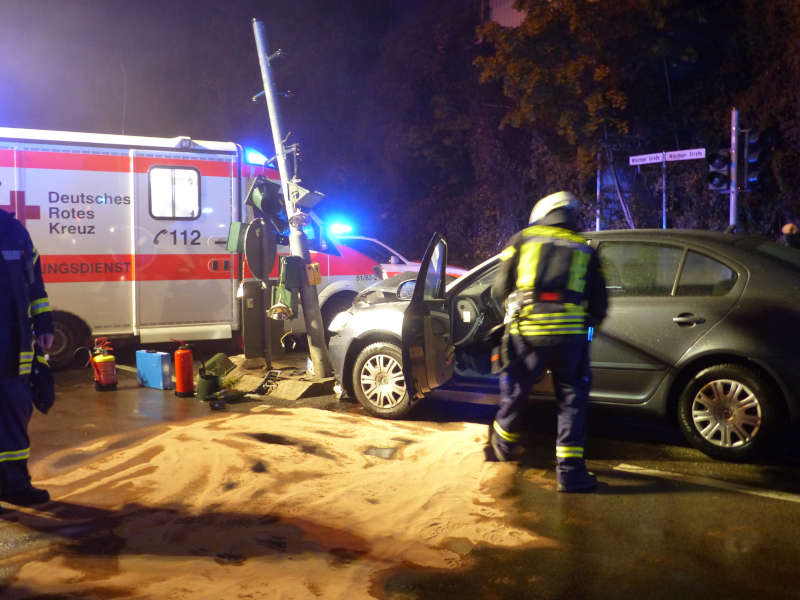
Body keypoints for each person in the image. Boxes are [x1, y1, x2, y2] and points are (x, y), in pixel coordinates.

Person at [488, 191, 608, 493]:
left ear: (542, 212)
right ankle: (570, 474)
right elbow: (600, 304)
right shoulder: (586, 249)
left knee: (516, 390)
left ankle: (502, 446)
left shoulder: (522, 239)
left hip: (527, 335)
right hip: (571, 340)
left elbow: (499, 289)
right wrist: (586, 326)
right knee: (571, 403)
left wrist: (515, 310)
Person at [0, 208, 54, 506]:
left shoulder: (14, 231)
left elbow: (35, 284)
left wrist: (44, 323)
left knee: (15, 415)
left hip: (14, 345)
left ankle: (15, 486)